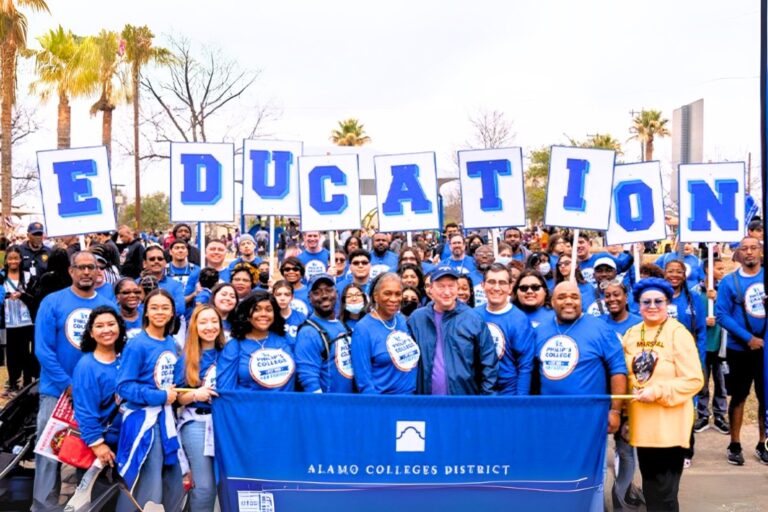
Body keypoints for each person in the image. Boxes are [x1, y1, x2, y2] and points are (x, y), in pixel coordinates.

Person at [32, 251, 115, 512]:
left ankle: (83, 505)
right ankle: (43, 506)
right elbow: (43, 349)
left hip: (93, 395)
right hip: (56, 392)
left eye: (92, 267)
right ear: (71, 271)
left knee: (88, 452)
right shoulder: (52, 302)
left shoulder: (106, 306)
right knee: (49, 452)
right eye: (81, 267)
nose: (87, 272)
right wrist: (66, 383)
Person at [623, 278, 704, 511]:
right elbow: (626, 373)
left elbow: (694, 380)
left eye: (658, 301)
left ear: (667, 303)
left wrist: (658, 391)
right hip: (643, 427)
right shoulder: (631, 333)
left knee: (665, 495)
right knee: (651, 490)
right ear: (638, 304)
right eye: (646, 301)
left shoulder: (678, 333)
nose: (652, 306)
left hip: (670, 427)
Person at [115, 289, 184, 512]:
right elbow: (124, 387)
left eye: (165, 307)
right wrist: (161, 396)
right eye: (154, 307)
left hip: (165, 419)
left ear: (173, 312)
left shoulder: (171, 342)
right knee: (147, 481)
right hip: (143, 421)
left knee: (168, 478)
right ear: (146, 311)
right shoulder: (137, 344)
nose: (160, 312)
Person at [534, 281, 627, 433]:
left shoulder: (600, 328)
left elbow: (618, 370)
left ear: (581, 301)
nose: (569, 301)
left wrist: (615, 411)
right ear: (551, 302)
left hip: (590, 417)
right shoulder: (540, 330)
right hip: (549, 416)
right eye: (562, 297)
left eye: (574, 297)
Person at [715, 236, 767, 465]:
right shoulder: (729, 282)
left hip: (765, 351)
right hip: (740, 349)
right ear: (737, 254)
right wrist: (748, 338)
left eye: (753, 248)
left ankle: (763, 442)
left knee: (765, 398)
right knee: (739, 396)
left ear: (761, 252)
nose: (749, 252)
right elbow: (721, 315)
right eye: (744, 248)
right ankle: (735, 443)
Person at [407, 266, 497, 395]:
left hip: (463, 402)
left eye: (451, 286)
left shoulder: (473, 319)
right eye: (441, 286)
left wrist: (484, 401)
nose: (447, 292)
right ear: (430, 289)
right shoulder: (417, 319)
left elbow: (489, 364)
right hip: (426, 402)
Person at [174, 305, 224, 512]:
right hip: (197, 423)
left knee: (226, 483)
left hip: (226, 425)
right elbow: (176, 398)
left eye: (214, 321)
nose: (210, 326)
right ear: (194, 326)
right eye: (203, 322)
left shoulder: (230, 352)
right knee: (204, 487)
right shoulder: (186, 358)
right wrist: (196, 394)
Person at [600, 279, 643, 510]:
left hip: (628, 399)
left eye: (617, 294)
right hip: (601, 398)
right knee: (597, 452)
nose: (612, 299)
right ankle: (596, 498)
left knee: (625, 451)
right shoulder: (597, 324)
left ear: (626, 297)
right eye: (607, 296)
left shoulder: (640, 324)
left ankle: (621, 499)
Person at [72, 306, 126, 469]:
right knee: (99, 493)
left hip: (127, 439)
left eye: (111, 324)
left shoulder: (126, 358)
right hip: (103, 446)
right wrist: (98, 445)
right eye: (99, 326)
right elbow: (84, 410)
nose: (106, 330)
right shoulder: (87, 366)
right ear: (91, 332)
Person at [352, 273, 420, 394]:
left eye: (398, 294)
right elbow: (363, 380)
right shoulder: (363, 329)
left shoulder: (402, 320)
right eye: (387, 293)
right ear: (376, 296)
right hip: (384, 403)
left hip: (412, 400)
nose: (393, 299)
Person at [217, 290, 296, 391]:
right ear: (246, 314)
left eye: (268, 310)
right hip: (249, 405)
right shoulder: (234, 346)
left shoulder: (286, 339)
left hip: (284, 405)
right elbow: (226, 388)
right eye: (256, 310)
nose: (263, 314)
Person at [477, 263, 534, 395]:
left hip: (508, 393)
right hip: (478, 392)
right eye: (491, 282)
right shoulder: (473, 316)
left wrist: (520, 400)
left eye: (502, 283)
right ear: (483, 285)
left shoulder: (520, 320)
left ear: (510, 287)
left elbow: (525, 365)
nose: (496, 288)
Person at [295, 274, 354, 393]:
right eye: (317, 292)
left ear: (336, 293)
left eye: (329, 290)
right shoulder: (308, 332)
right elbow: (308, 378)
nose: (324, 296)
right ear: (309, 298)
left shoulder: (341, 324)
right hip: (330, 404)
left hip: (349, 402)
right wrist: (322, 408)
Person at [694, 257, 730, 435]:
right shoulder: (695, 292)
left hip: (720, 346)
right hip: (701, 346)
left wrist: (716, 300)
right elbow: (691, 316)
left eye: (723, 268)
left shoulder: (724, 289)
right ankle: (702, 415)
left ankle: (720, 415)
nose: (723, 271)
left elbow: (729, 311)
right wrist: (702, 321)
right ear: (708, 269)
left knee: (721, 383)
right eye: (719, 268)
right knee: (702, 383)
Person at [1, 245, 38, 394]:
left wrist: (22, 295)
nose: (13, 261)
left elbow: (34, 298)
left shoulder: (28, 276)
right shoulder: (1, 276)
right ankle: (13, 382)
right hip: (8, 321)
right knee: (11, 353)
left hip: (26, 320)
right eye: (10, 258)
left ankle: (27, 382)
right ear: (6, 260)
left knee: (25, 352)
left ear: (21, 259)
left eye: (16, 258)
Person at [141, 244, 185, 317]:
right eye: (152, 259)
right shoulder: (136, 285)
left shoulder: (175, 285)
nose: (156, 261)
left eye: (160, 259)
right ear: (144, 263)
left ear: (165, 263)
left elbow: (180, 309)